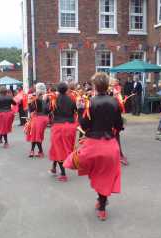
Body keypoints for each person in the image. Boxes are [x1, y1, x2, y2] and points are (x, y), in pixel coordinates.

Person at [64, 72, 123, 221]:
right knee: (104, 175)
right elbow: (119, 125)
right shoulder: (115, 102)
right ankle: (102, 205)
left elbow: (84, 125)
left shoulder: (90, 102)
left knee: (90, 170)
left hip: (93, 145)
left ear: (95, 86)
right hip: (110, 145)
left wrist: (80, 110)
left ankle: (101, 203)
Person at [48, 82, 77, 182]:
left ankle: (63, 174)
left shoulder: (54, 99)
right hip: (70, 126)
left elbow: (48, 111)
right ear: (67, 89)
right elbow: (76, 111)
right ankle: (53, 167)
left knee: (58, 148)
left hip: (58, 126)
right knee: (59, 147)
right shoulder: (72, 99)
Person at [26, 83, 49, 158]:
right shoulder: (47, 97)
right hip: (45, 119)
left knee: (36, 135)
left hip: (37, 118)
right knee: (36, 135)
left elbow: (31, 110)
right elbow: (49, 110)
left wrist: (29, 102)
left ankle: (40, 151)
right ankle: (33, 150)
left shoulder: (35, 98)